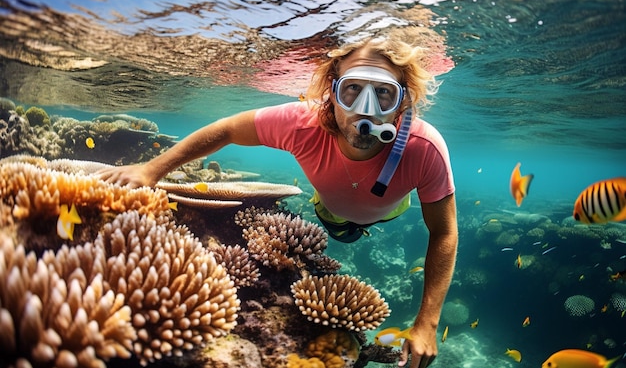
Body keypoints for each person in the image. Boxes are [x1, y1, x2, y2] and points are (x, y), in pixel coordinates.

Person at [97, 28, 458, 368]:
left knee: (371, 219)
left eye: (383, 93)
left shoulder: (423, 149)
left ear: (403, 100)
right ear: (331, 93)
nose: (365, 109)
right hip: (328, 211)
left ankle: (361, 223)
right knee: (339, 229)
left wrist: (427, 321)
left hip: (389, 210)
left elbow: (444, 232)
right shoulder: (302, 123)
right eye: (352, 90)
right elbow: (227, 129)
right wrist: (152, 170)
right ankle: (344, 225)